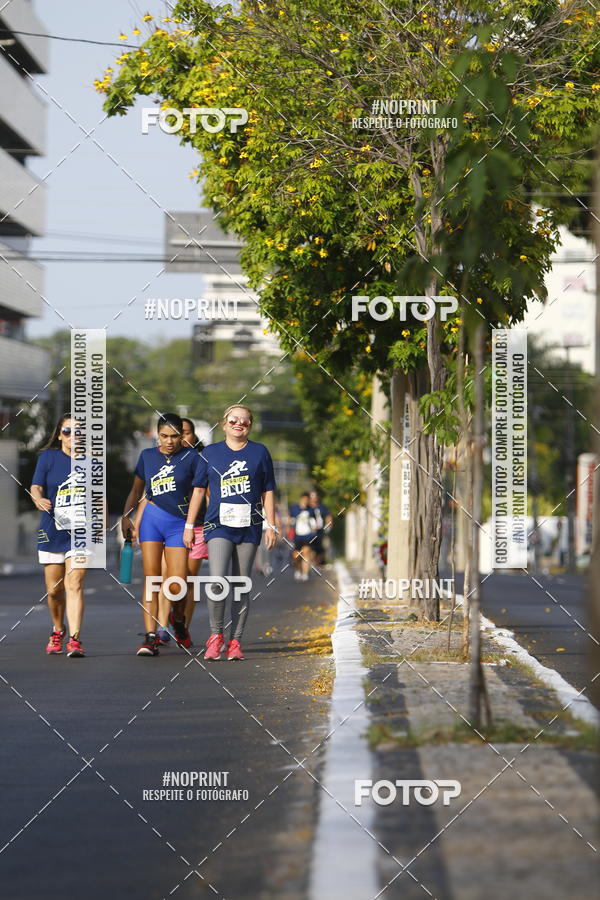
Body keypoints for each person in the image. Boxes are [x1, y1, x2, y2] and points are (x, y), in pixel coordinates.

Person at [185, 404, 277, 661]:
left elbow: (268, 490)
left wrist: (271, 525)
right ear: (223, 424)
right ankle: (216, 636)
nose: (239, 424)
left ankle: (235, 641)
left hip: (249, 526)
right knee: (217, 581)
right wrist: (190, 526)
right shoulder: (210, 453)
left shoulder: (260, 452)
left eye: (245, 421)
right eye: (234, 420)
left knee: (240, 584)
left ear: (251, 426)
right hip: (218, 525)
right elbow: (199, 490)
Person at [121, 413, 199, 656]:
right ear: (157, 434)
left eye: (174, 436)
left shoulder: (192, 457)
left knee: (177, 584)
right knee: (152, 580)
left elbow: (199, 493)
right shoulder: (147, 456)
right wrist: (126, 516)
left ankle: (178, 619)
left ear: (181, 435)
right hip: (152, 521)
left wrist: (191, 526)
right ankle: (150, 636)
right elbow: (136, 490)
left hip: (178, 524)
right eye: (164, 436)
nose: (169, 441)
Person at [30, 414, 89, 657]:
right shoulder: (48, 457)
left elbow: (99, 496)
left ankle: (75, 639)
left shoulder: (91, 462)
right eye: (67, 431)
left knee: (74, 584)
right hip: (52, 529)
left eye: (78, 431)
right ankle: (58, 628)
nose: (73, 435)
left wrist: (102, 522)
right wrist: (38, 498)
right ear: (59, 435)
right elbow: (36, 486)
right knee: (54, 590)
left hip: (81, 531)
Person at [154, 418, 208, 644]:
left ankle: (182, 625)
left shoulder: (201, 459)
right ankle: (161, 627)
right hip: (169, 524)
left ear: (193, 436)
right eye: (177, 433)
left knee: (189, 580)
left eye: (185, 433)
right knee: (167, 577)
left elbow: (208, 493)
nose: (180, 437)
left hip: (198, 526)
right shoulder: (162, 459)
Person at [289, 492, 317, 581]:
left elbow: (314, 521)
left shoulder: (311, 510)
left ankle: (305, 573)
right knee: (296, 556)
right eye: (304, 499)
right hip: (297, 535)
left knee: (306, 552)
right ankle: (298, 569)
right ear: (301, 499)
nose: (305, 501)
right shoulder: (294, 509)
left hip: (307, 535)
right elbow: (290, 520)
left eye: (307, 500)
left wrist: (314, 528)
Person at [309, 488, 333, 566]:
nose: (314, 499)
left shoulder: (322, 507)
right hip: (309, 532)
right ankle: (312, 564)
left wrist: (328, 526)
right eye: (312, 497)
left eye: (315, 496)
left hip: (321, 531)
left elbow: (328, 517)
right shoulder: (307, 508)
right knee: (311, 549)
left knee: (323, 548)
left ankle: (318, 564)